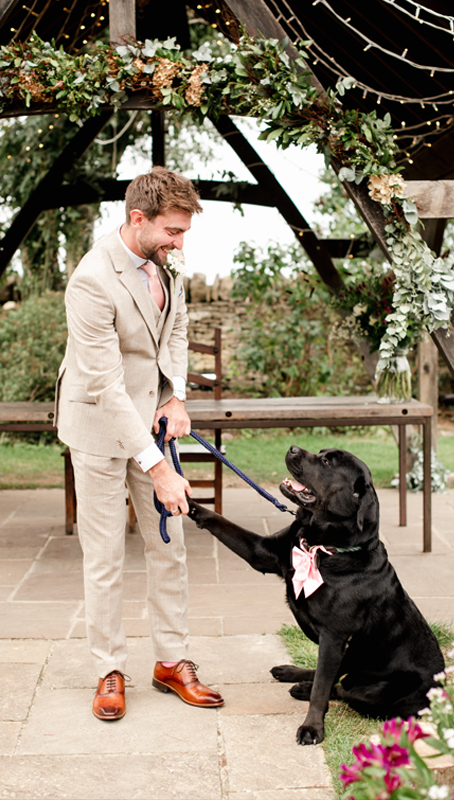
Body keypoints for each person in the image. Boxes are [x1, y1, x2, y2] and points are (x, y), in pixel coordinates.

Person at [56, 166, 224, 721]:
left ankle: (171, 662)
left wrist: (175, 396)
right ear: (138, 219)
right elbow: (103, 384)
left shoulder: (162, 266)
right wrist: (157, 468)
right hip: (101, 429)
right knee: (104, 557)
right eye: (173, 231)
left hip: (150, 419)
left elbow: (173, 332)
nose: (180, 242)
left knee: (169, 546)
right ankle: (109, 667)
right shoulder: (90, 279)